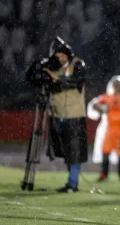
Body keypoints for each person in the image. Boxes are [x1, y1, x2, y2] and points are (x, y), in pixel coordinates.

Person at [44, 37, 88, 193]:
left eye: (61, 55)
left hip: (74, 115)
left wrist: (55, 77)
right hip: (58, 114)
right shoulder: (56, 67)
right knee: (65, 150)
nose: (59, 58)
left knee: (74, 150)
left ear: (67, 55)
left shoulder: (78, 65)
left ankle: (73, 183)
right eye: (57, 55)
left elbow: (75, 83)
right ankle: (71, 180)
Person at [87, 75, 120, 182]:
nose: (117, 87)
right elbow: (94, 105)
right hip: (109, 130)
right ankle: (104, 174)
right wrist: (100, 108)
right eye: (115, 85)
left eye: (118, 85)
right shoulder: (107, 97)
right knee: (105, 153)